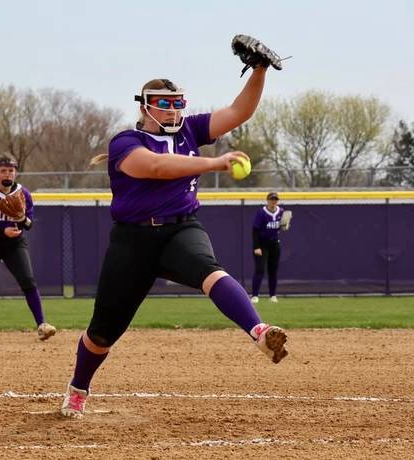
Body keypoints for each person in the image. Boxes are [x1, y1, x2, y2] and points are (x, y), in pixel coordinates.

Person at [60, 66, 288, 419]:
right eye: (164, 104)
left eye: (177, 103)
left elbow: (239, 111)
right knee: (103, 333)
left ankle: (258, 331)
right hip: (132, 240)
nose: (173, 110)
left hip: (180, 229)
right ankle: (78, 387)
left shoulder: (190, 129)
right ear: (145, 107)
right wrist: (213, 163)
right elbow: (155, 167)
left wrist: (258, 70)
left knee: (210, 272)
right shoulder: (125, 142)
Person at [0, 154, 56, 342]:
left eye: (11, 170)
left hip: (14, 243)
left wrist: (22, 219)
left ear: (15, 173)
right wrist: (2, 230)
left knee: (27, 280)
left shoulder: (24, 194)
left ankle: (42, 325)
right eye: (3, 171)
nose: (7, 174)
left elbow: (29, 225)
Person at [251, 192, 287, 304]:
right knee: (260, 269)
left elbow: (280, 228)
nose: (273, 201)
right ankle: (255, 295)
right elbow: (255, 230)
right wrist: (256, 246)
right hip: (262, 245)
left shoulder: (281, 212)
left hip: (274, 244)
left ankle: (272, 295)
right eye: (272, 199)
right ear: (267, 200)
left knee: (273, 270)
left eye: (275, 199)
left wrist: (284, 226)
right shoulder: (261, 212)